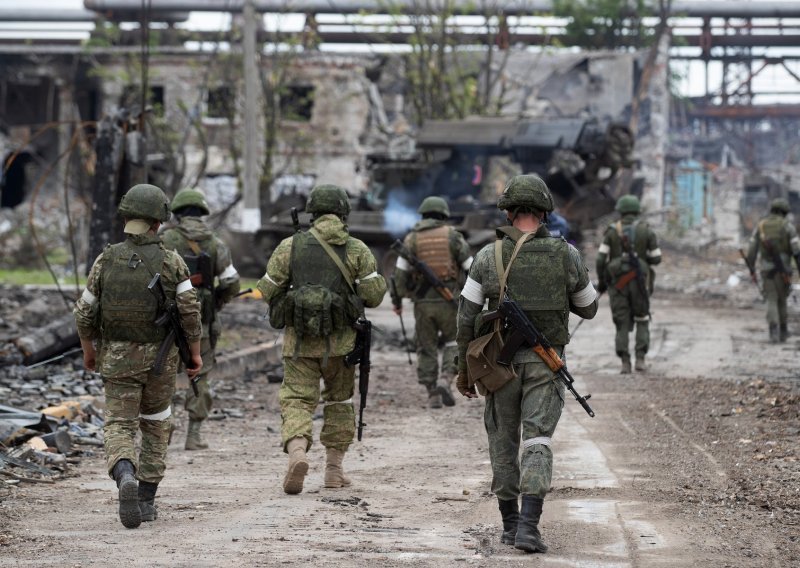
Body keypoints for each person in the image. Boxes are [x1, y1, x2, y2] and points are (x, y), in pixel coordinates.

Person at [455, 174, 598, 553]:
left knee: (503, 440)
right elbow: (589, 307)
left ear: (508, 211)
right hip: (545, 363)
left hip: (499, 364)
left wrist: (464, 370)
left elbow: (466, 318)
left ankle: (509, 525)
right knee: (537, 438)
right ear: (545, 213)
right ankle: (529, 528)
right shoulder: (567, 254)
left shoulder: (487, 256)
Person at [73, 184, 202, 529]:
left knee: (119, 423)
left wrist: (89, 352)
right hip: (161, 360)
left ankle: (124, 472)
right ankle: (145, 499)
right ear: (158, 223)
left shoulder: (106, 259)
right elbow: (190, 314)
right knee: (157, 424)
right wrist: (195, 355)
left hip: (115, 358)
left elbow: (85, 312)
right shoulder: (173, 261)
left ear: (127, 218)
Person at [257, 184, 387, 495]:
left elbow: (266, 290)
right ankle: (333, 470)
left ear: (311, 213)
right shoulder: (356, 249)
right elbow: (373, 296)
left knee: (297, 401)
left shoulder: (290, 246)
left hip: (299, 344)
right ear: (344, 213)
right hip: (342, 346)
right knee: (340, 402)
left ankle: (298, 454)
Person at [161, 187, 241, 450]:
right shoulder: (216, 243)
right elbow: (231, 281)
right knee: (200, 374)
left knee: (164, 375)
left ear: (178, 213)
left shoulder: (166, 239)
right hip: (203, 322)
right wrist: (216, 300)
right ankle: (193, 435)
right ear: (202, 213)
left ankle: (164, 428)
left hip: (167, 322)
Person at [393, 196, 473, 408]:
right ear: (444, 215)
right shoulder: (453, 237)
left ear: (423, 215)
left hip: (423, 303)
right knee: (452, 343)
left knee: (426, 347)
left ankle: (432, 394)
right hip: (449, 302)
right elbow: (470, 267)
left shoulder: (411, 240)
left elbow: (399, 276)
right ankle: (445, 379)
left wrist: (398, 299)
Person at [595, 194, 662, 373]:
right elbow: (656, 258)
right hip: (640, 282)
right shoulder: (646, 231)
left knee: (621, 321)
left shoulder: (611, 232)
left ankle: (625, 362)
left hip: (618, 282)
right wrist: (642, 260)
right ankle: (640, 359)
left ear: (621, 211)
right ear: (637, 211)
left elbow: (601, 259)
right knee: (642, 318)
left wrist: (602, 282)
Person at [745, 197, 800, 342]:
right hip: (785, 270)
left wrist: (751, 266)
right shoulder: (788, 227)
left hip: (766, 270)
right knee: (782, 300)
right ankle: (783, 331)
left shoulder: (761, 226)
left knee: (771, 299)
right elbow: (796, 252)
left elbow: (752, 250)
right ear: (784, 212)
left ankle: (773, 331)